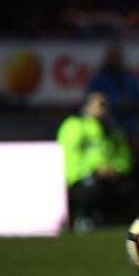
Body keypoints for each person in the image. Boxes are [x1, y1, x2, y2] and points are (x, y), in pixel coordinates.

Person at [57, 91, 134, 230]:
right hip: (81, 177)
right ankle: (83, 220)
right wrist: (92, 170)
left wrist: (116, 168)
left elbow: (124, 155)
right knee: (91, 188)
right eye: (99, 104)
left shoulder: (113, 129)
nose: (102, 108)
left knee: (128, 187)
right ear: (87, 106)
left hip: (110, 176)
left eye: (105, 105)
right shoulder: (75, 125)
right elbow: (68, 155)